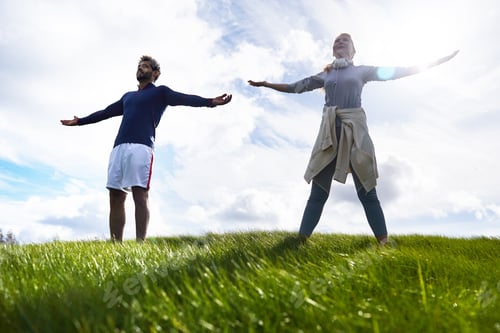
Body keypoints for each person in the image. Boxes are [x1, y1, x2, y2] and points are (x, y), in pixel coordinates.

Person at [248, 33, 458, 245]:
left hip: (355, 135)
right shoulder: (325, 75)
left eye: (345, 40)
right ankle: (300, 241)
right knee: (318, 192)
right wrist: (266, 84)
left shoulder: (362, 71)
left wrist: (435, 62)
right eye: (337, 40)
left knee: (367, 191)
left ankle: (383, 243)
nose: (340, 42)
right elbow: (295, 87)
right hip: (329, 136)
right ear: (332, 50)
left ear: (353, 50)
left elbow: (397, 72)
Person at [61, 55, 232, 242]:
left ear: (155, 73)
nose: (140, 68)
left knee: (140, 193)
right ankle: (115, 245)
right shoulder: (128, 96)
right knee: (115, 195)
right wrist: (79, 121)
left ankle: (140, 244)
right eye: (139, 66)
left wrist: (209, 102)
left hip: (141, 147)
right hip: (119, 148)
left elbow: (184, 98)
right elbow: (105, 112)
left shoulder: (161, 92)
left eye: (145, 66)